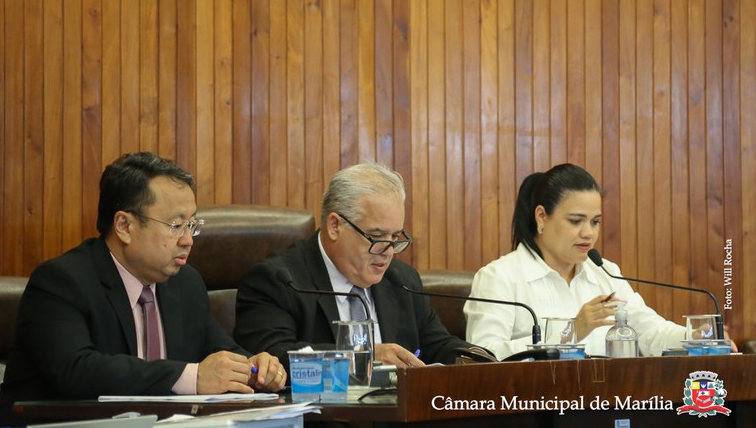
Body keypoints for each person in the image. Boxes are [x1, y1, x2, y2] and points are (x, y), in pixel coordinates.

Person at [0, 152, 286, 426]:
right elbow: (77, 371)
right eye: (176, 225)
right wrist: (193, 377)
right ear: (124, 226)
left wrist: (255, 368)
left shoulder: (185, 283)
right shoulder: (62, 281)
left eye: (192, 225)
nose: (188, 240)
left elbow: (220, 352)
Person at [464, 163, 729, 360]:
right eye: (576, 221)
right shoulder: (500, 277)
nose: (588, 233)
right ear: (542, 217)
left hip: (608, 402)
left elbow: (648, 330)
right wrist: (573, 331)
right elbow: (483, 356)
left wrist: (693, 337)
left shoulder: (605, 273)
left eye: (595, 222)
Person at [234, 162, 472, 370]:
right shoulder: (279, 280)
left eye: (395, 237)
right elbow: (272, 358)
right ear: (335, 226)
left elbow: (438, 345)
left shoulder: (401, 280)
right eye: (376, 236)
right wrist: (364, 357)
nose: (388, 251)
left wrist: (479, 359)